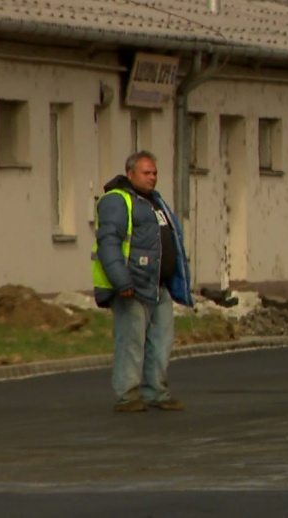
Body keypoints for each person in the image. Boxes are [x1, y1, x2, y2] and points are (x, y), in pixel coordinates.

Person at [92, 150, 193, 413]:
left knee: (161, 341)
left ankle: (155, 391)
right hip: (133, 286)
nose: (152, 178)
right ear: (130, 173)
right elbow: (109, 243)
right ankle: (127, 394)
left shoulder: (154, 201)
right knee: (131, 341)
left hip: (159, 284)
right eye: (146, 173)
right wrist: (121, 282)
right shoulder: (117, 201)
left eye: (155, 173)